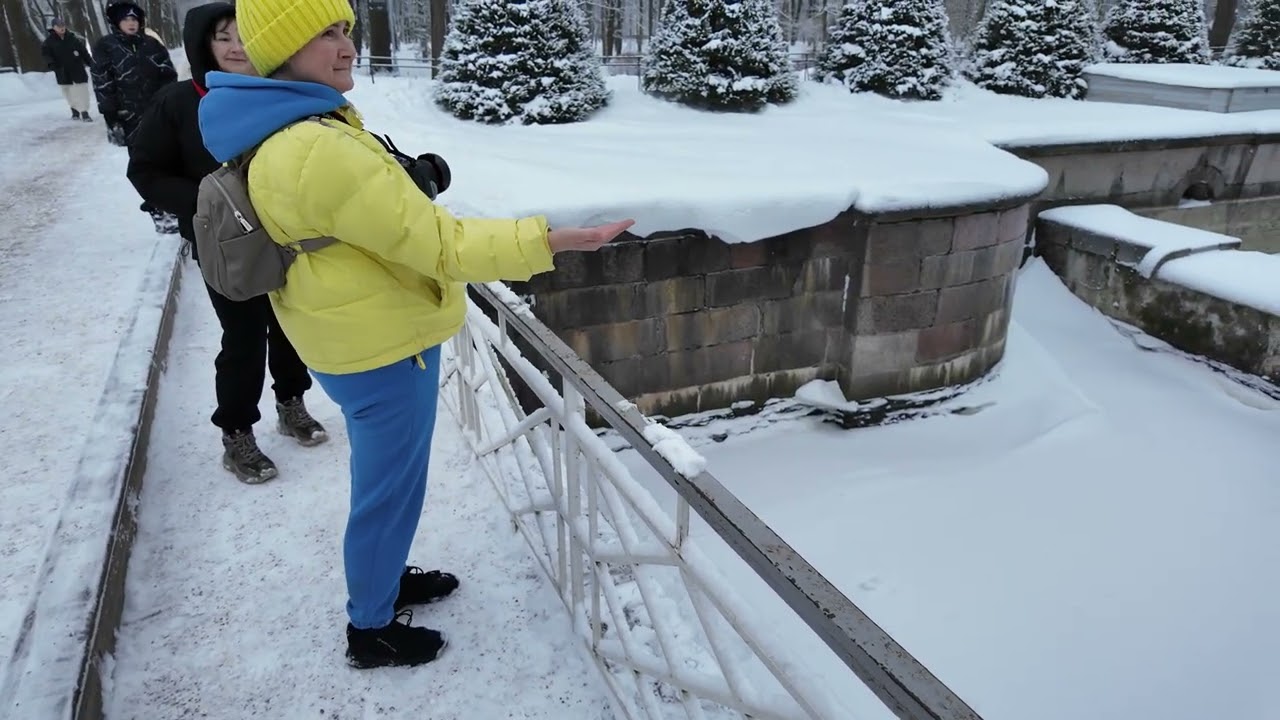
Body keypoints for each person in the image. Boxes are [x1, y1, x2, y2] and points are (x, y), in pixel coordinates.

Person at [197, 0, 635, 669]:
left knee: (389, 484)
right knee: (387, 491)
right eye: (325, 33)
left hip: (350, 338)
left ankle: (384, 579)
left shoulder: (277, 129)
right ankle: (370, 628)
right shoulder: (314, 146)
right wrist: (550, 240)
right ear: (280, 51)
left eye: (345, 28)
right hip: (381, 351)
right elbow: (441, 243)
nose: (347, 46)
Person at [127, 2, 327, 485]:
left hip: (284, 235)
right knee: (243, 337)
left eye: (244, 36)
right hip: (223, 245)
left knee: (289, 325)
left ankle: (291, 401)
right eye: (223, 38)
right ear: (203, 45)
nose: (237, 47)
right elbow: (144, 170)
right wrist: (204, 202)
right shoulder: (177, 102)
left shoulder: (278, 93)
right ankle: (237, 432)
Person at [90, 1, 176, 146]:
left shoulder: (152, 44)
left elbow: (169, 76)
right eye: (125, 19)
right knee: (139, 157)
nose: (131, 23)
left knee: (165, 151)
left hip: (156, 112)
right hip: (127, 115)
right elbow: (102, 83)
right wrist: (110, 116)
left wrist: (167, 103)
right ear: (117, 22)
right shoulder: (105, 46)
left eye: (134, 19)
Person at [41, 18, 93, 121]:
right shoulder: (49, 42)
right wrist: (51, 64)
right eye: (59, 26)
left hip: (77, 68)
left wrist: (91, 63)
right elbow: (46, 55)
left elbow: (83, 51)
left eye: (63, 25)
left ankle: (84, 112)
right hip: (62, 70)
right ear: (54, 27)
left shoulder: (72, 38)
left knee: (81, 90)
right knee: (68, 91)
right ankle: (74, 110)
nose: (62, 28)